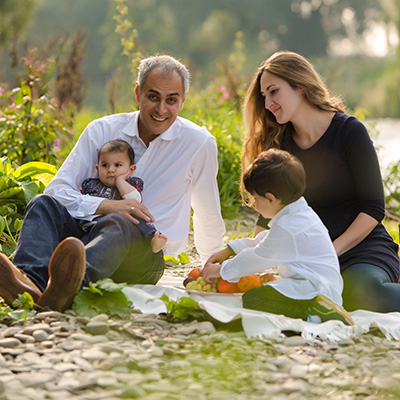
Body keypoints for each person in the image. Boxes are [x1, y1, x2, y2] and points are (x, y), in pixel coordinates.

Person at [0, 54, 225, 311]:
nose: (161, 109)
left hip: (142, 257)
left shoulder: (198, 143)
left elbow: (207, 212)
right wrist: (106, 205)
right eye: (153, 97)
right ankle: (29, 284)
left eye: (171, 100)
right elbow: (57, 191)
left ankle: (69, 287)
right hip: (81, 242)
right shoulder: (101, 131)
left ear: (182, 101)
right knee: (42, 204)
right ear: (138, 93)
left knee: (122, 221)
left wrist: (214, 272)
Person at [241, 50, 400, 313]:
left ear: (300, 86)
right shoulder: (280, 147)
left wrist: (328, 252)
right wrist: (242, 261)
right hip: (306, 253)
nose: (267, 102)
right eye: (263, 96)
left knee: (359, 292)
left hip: (362, 247)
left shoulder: (350, 131)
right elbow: (268, 214)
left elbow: (373, 209)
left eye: (274, 91)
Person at [203, 148, 354, 325]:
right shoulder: (298, 214)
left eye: (255, 198)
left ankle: (315, 312)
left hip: (315, 289)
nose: (254, 204)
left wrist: (222, 270)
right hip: (314, 284)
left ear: (270, 198)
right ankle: (316, 308)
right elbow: (265, 241)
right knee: (262, 293)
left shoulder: (288, 226)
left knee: (255, 299)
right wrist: (230, 250)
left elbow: (258, 257)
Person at [80, 139, 167, 253]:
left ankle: (151, 239)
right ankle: (79, 255)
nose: (110, 170)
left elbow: (135, 200)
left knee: (139, 215)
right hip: (94, 227)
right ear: (97, 168)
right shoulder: (91, 184)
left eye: (117, 165)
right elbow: (82, 203)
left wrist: (120, 180)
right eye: (105, 165)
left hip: (123, 228)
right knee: (84, 245)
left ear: (131, 169)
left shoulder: (132, 183)